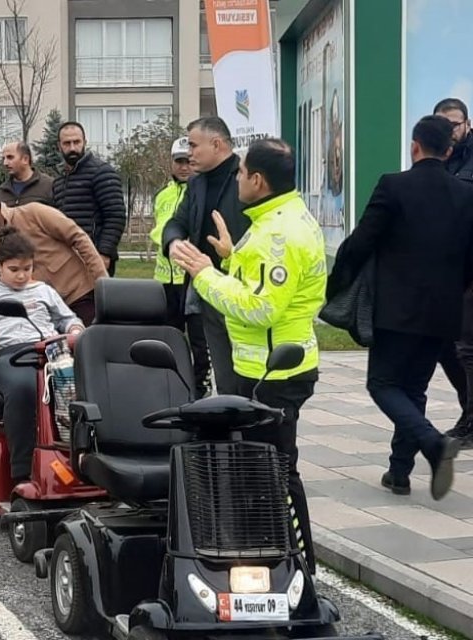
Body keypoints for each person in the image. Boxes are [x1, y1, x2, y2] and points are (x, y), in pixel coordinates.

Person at [170, 137, 326, 572]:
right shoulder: (280, 216)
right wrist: (232, 257)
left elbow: (260, 307)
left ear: (257, 180)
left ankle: (291, 566)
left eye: (240, 173)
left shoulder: (279, 233)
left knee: (271, 474)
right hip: (268, 368)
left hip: (274, 373)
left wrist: (204, 274)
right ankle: (272, 556)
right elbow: (268, 287)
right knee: (262, 469)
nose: (237, 179)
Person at [326, 115, 473, 500]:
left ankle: (433, 443)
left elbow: (361, 241)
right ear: (450, 150)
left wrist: (338, 279)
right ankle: (399, 472)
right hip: (443, 311)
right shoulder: (466, 195)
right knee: (414, 389)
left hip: (395, 308)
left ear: (414, 146)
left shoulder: (394, 186)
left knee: (383, 384)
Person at [0, 227, 84, 486]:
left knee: (89, 382)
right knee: (24, 387)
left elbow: (69, 319)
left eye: (27, 268)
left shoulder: (44, 291)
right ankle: (23, 471)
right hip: (6, 358)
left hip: (52, 353)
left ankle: (88, 460)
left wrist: (75, 330)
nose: (22, 276)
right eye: (14, 269)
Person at [161, 116, 250, 398]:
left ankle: (253, 431)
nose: (189, 153)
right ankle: (227, 430)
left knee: (247, 373)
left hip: (244, 290)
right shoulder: (197, 183)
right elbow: (178, 221)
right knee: (221, 372)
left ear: (217, 144)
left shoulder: (247, 177)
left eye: (194, 145)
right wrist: (174, 242)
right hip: (207, 289)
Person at [0, 186, 107, 324]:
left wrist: (104, 286)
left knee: (89, 346)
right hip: (41, 312)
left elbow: (78, 238)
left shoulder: (33, 213)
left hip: (79, 296)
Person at [152, 137, 212, 398]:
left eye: (188, 161)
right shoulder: (163, 195)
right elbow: (159, 229)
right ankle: (170, 380)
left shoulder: (202, 192)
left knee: (199, 337)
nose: (184, 167)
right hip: (166, 278)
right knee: (169, 334)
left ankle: (201, 384)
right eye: (179, 161)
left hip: (193, 277)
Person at [433, 98, 473, 446]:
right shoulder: (438, 158)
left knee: (466, 346)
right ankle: (468, 413)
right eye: (443, 125)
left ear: (467, 123)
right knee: (447, 344)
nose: (450, 131)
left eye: (455, 124)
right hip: (448, 267)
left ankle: (471, 422)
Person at [49, 121, 127, 275]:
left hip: (95, 256)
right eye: (67, 143)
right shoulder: (58, 181)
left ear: (85, 142)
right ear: (59, 146)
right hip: (66, 260)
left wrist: (104, 253)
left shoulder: (102, 172)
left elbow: (115, 216)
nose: (72, 148)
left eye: (76, 142)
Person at [0, 141, 54, 207]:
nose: (5, 163)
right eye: (3, 159)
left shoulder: (49, 186)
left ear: (25, 159)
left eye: (10, 157)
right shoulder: (0, 193)